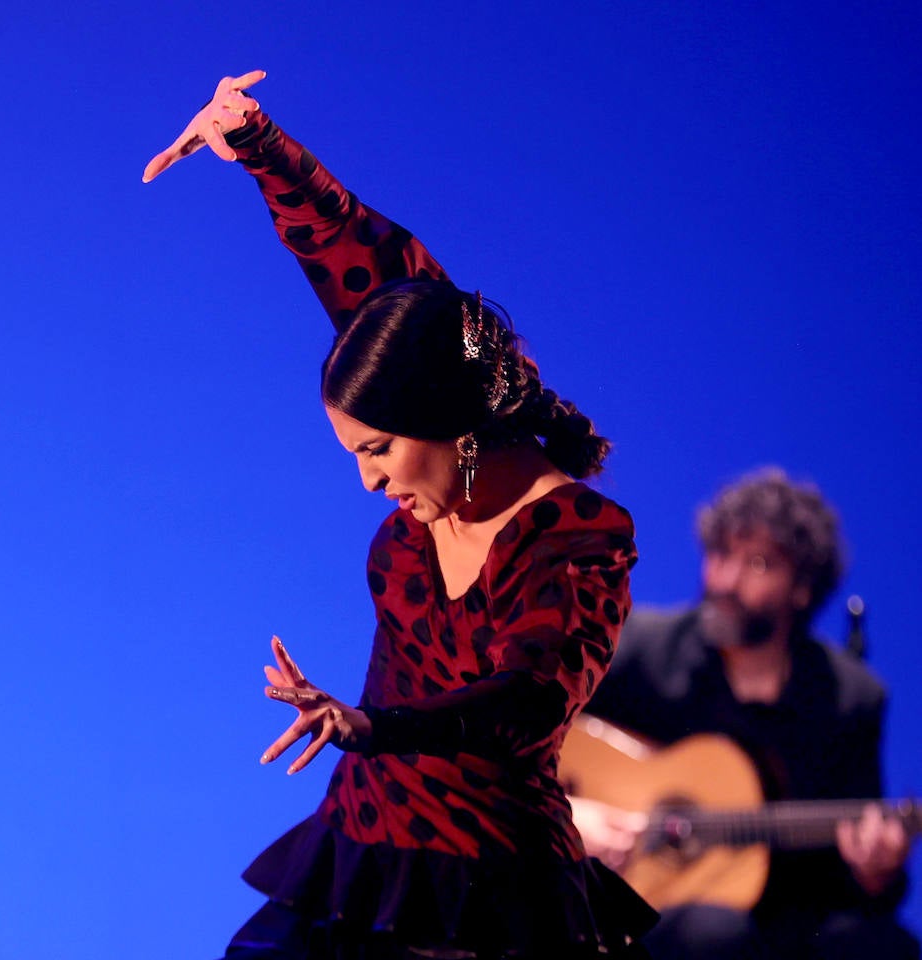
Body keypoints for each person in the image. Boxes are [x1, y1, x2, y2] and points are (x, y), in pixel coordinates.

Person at [145, 73, 657, 959]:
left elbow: (530, 699)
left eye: (377, 450)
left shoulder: (578, 536)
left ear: (448, 420)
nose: (368, 480)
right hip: (360, 857)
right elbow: (368, 271)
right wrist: (260, 145)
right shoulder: (434, 381)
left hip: (490, 899)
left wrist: (377, 727)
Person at [573, 468, 919, 960]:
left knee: (884, 947)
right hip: (651, 911)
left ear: (802, 586)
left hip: (787, 922)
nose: (727, 581)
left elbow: (851, 881)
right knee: (713, 935)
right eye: (720, 555)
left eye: (757, 563)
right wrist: (569, 813)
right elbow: (518, 741)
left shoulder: (849, 700)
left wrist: (876, 872)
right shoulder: (643, 650)